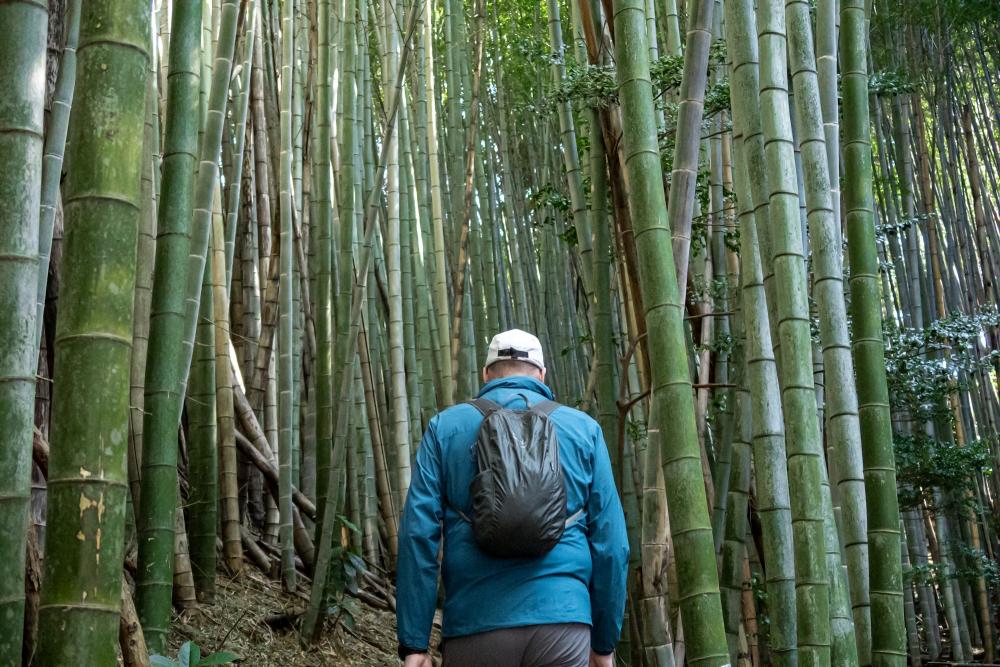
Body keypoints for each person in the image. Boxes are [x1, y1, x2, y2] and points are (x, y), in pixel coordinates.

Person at [396, 329, 629, 667]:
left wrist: (414, 643)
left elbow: (418, 536)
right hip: (562, 624)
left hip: (476, 626)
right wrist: (603, 644)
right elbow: (612, 545)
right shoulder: (584, 430)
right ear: (542, 374)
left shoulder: (445, 428)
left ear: (486, 374)